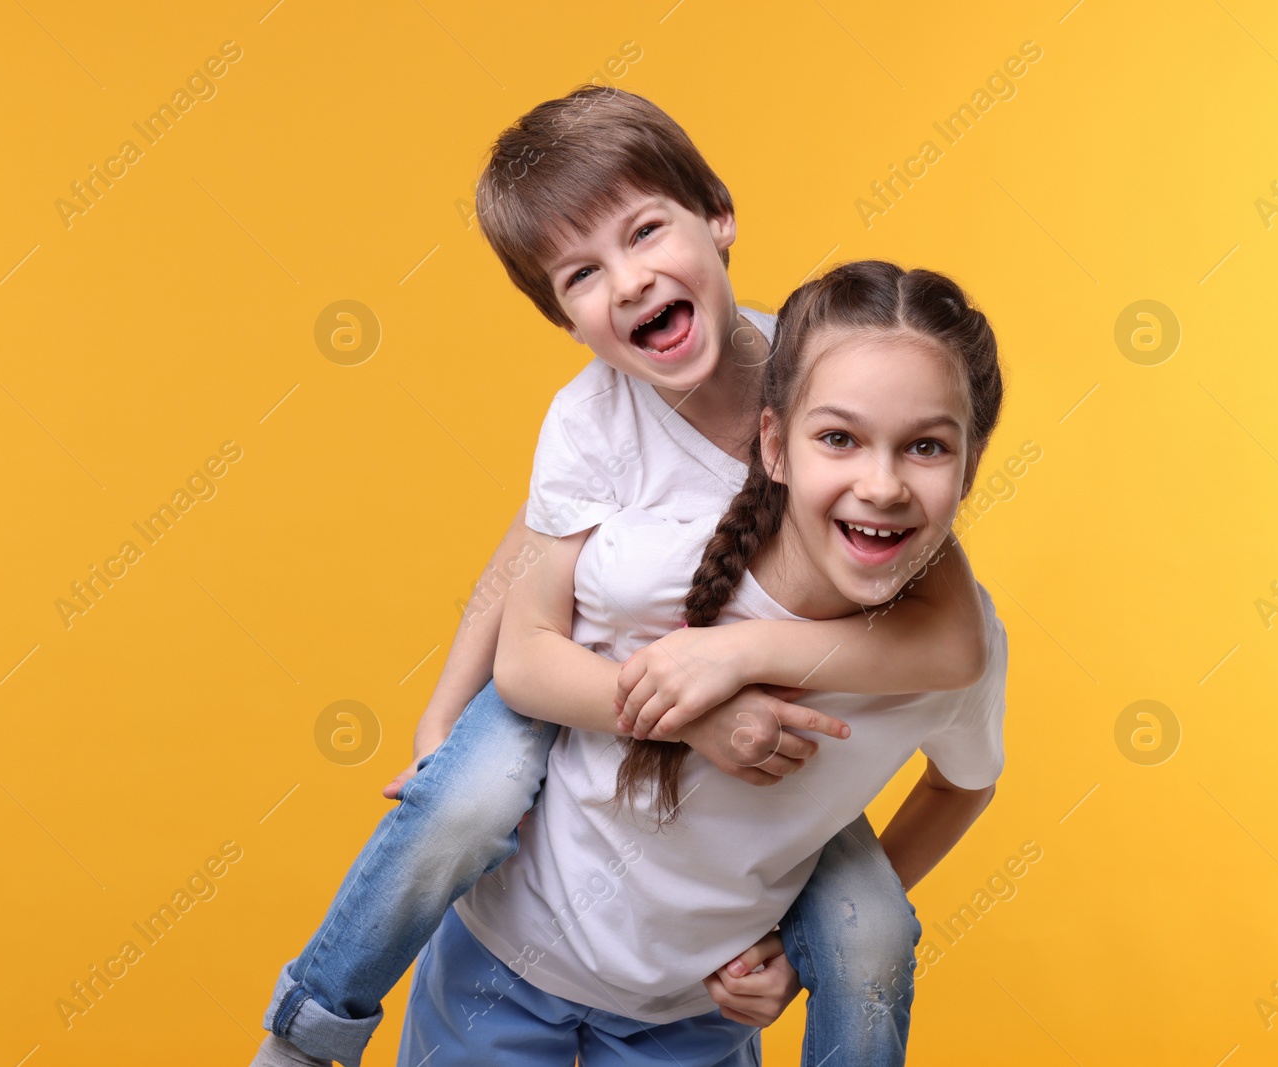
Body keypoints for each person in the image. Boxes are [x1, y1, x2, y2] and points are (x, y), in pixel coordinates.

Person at [254, 90, 988, 1067]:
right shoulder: (592, 417)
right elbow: (524, 567)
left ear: (717, 216)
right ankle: (311, 1027)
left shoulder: (832, 382)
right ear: (563, 317)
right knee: (467, 797)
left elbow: (951, 629)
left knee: (868, 928)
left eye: (646, 232)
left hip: (752, 783)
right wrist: (444, 717)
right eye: (583, 274)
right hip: (595, 699)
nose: (631, 280)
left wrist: (735, 658)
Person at [399, 260, 1010, 1065]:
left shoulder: (955, 653)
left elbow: (965, 781)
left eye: (926, 446)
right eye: (838, 437)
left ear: (968, 468)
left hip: (692, 1018)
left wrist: (805, 948)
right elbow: (540, 541)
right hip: (506, 954)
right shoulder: (665, 549)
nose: (882, 482)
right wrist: (445, 720)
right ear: (774, 444)